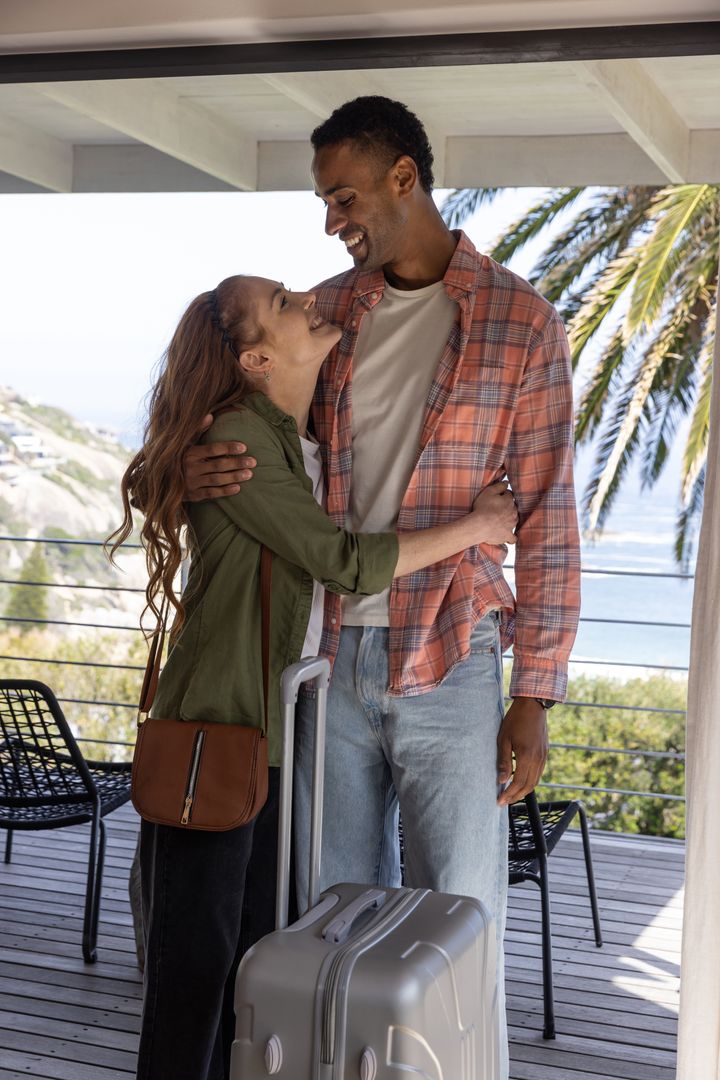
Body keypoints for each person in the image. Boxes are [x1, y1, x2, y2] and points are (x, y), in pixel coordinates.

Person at [182, 96, 581, 1077]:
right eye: (325, 201)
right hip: (323, 666)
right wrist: (187, 470)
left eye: (344, 195)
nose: (331, 220)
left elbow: (549, 517)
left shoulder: (522, 324)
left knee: (461, 921)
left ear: (406, 177)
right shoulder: (331, 311)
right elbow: (233, 411)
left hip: (452, 661)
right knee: (329, 920)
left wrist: (535, 695)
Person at [110, 272, 517, 1080]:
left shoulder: (294, 445)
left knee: (255, 958)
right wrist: (477, 527)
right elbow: (341, 562)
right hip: (215, 734)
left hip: (263, 738)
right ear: (258, 356)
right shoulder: (240, 435)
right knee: (194, 972)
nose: (308, 301)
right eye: (285, 304)